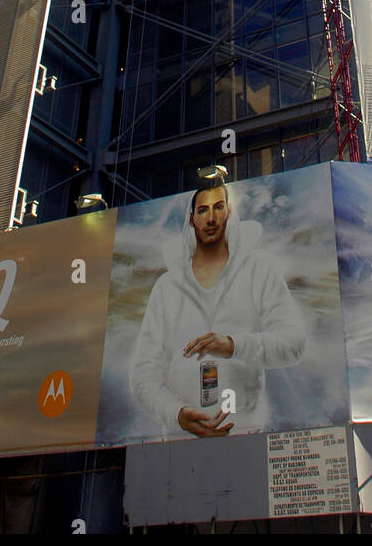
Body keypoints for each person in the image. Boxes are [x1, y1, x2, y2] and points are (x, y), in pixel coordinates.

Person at [128, 181, 306, 437]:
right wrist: (176, 413)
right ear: (191, 219)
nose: (211, 218)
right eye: (203, 210)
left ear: (230, 213)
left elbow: (293, 343)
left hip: (246, 431)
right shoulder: (166, 287)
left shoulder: (258, 268)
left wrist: (234, 346)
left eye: (218, 207)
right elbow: (143, 372)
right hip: (180, 442)